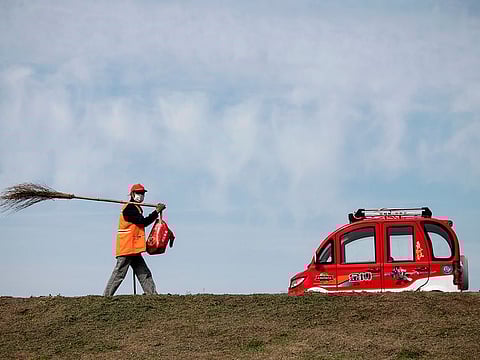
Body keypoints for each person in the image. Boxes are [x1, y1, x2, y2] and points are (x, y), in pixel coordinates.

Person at [103, 183, 165, 296]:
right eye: (139, 193)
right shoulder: (129, 208)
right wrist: (156, 212)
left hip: (134, 247)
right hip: (127, 247)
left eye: (142, 194)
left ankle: (152, 295)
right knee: (119, 273)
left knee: (143, 272)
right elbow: (143, 222)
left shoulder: (135, 207)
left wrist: (156, 212)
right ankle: (106, 296)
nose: (141, 196)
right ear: (132, 194)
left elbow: (141, 223)